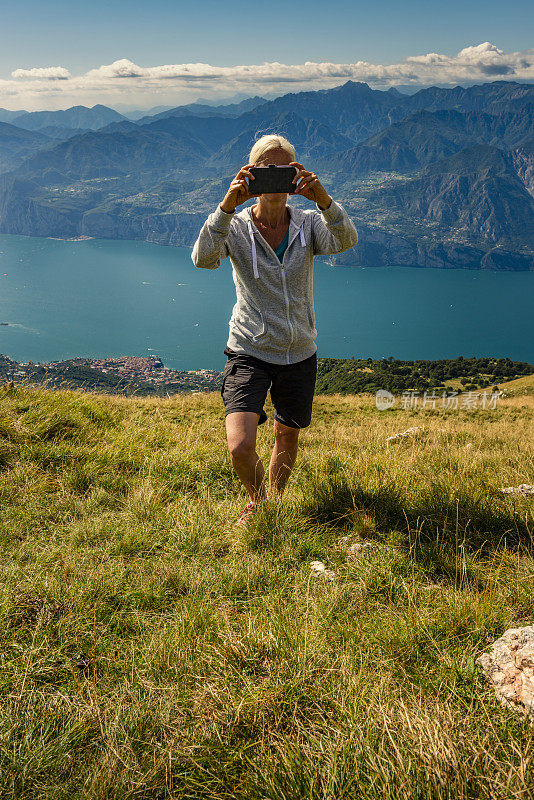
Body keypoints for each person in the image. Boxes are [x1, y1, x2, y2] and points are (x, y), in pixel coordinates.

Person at [192, 134, 358, 526]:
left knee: (287, 435)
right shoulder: (234, 228)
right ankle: (259, 498)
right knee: (239, 446)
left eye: (283, 169)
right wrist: (226, 206)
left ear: (295, 173)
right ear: (251, 174)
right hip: (249, 348)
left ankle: (272, 506)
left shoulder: (309, 224)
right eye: (266, 169)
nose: (275, 178)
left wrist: (324, 199)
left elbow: (347, 239)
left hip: (299, 350)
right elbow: (202, 259)